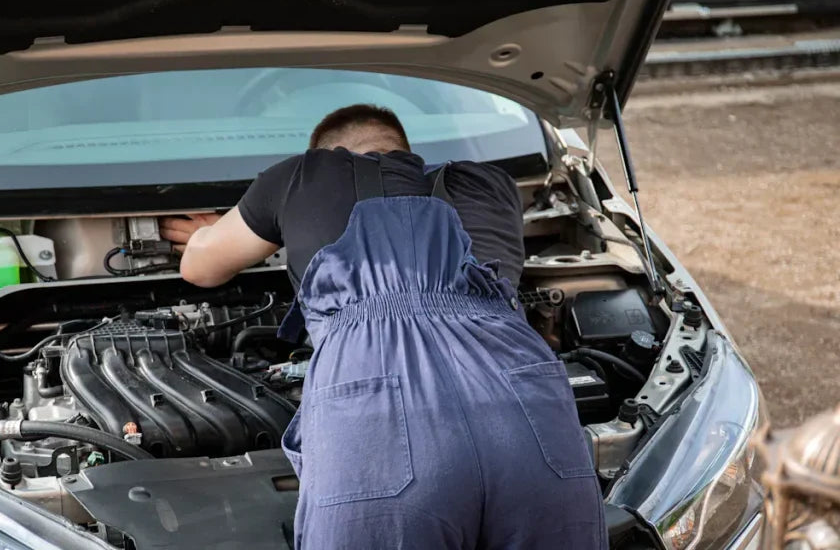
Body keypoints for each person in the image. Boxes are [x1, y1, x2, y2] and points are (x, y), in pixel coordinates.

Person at [160, 104, 606, 549]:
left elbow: (200, 267)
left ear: (329, 155)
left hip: (378, 402)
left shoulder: (299, 176)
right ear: (405, 152)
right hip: (526, 407)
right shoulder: (491, 183)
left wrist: (225, 227)